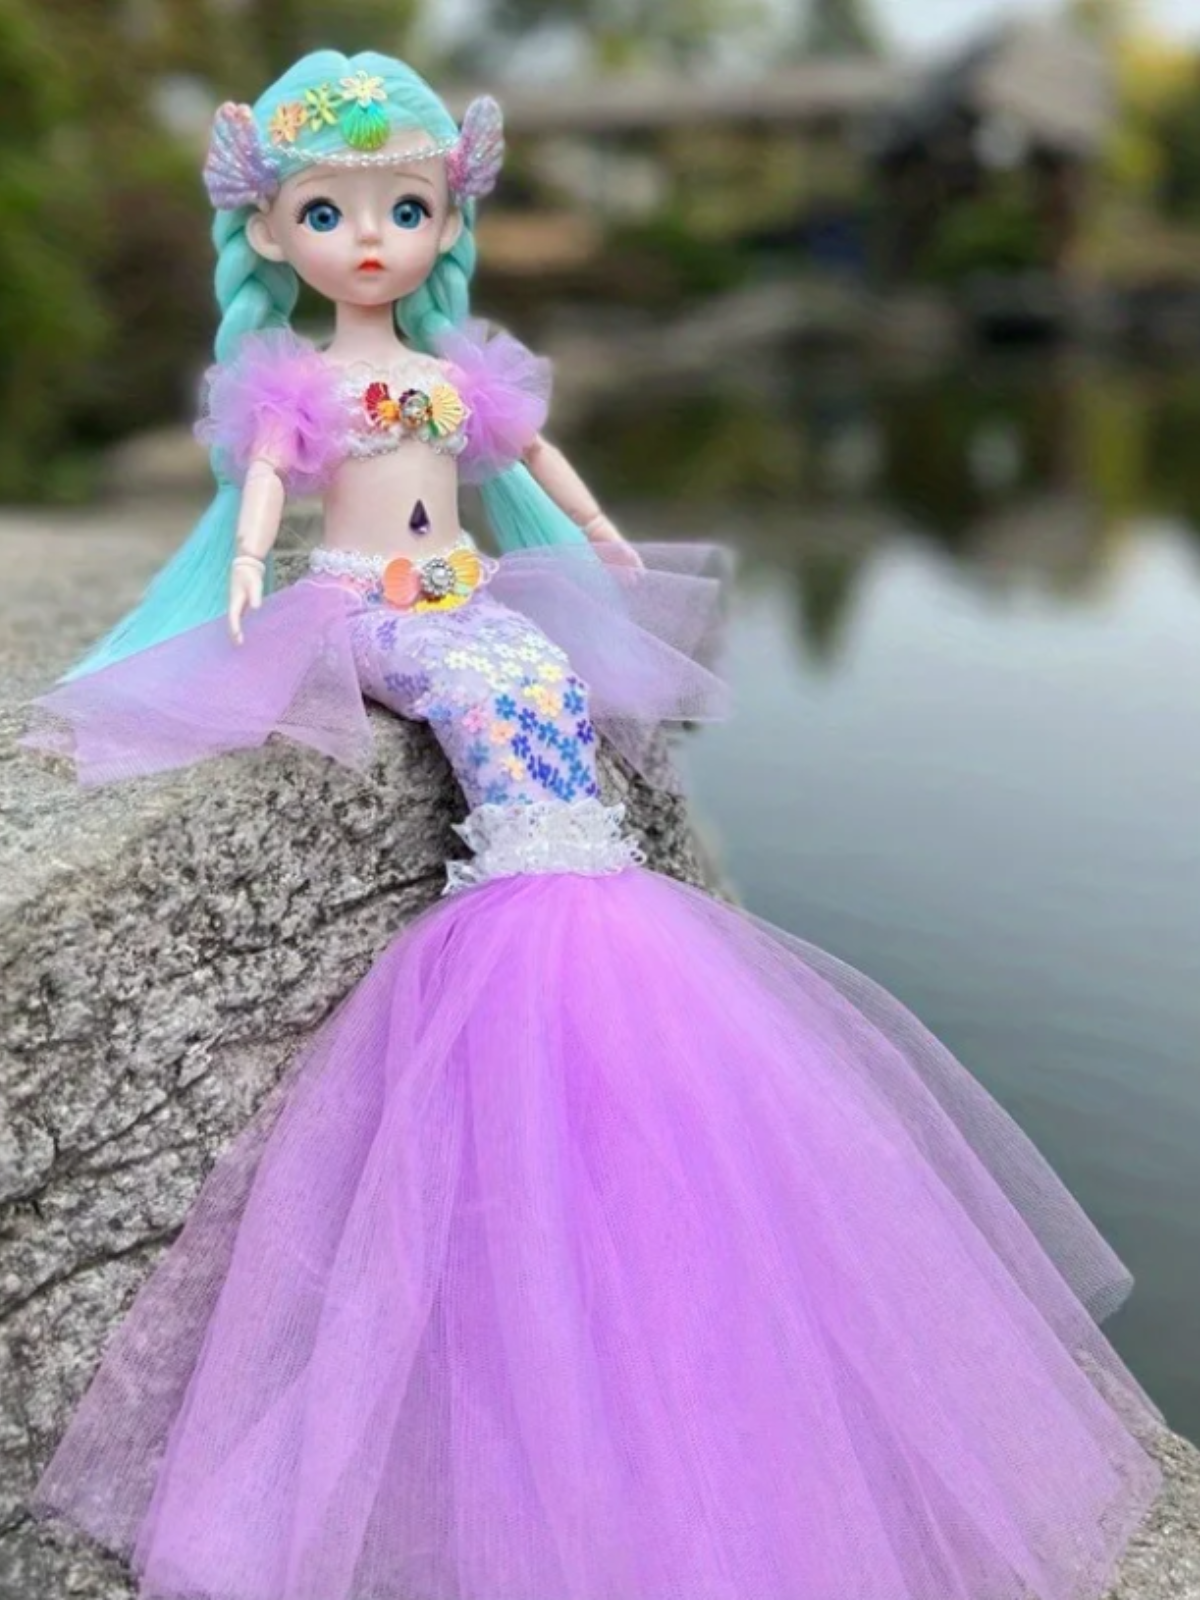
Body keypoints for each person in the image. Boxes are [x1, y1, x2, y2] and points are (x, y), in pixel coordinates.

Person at [20, 49, 1166, 1600]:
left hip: (469, 592)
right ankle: (542, 868)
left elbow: (529, 465)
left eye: (405, 209)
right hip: (374, 611)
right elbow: (266, 503)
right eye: (329, 214)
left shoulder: (451, 373)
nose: (371, 241)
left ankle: (565, 850)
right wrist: (244, 580)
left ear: (446, 220)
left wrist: (603, 531)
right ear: (275, 232)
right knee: (486, 699)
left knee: (535, 677)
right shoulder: (304, 383)